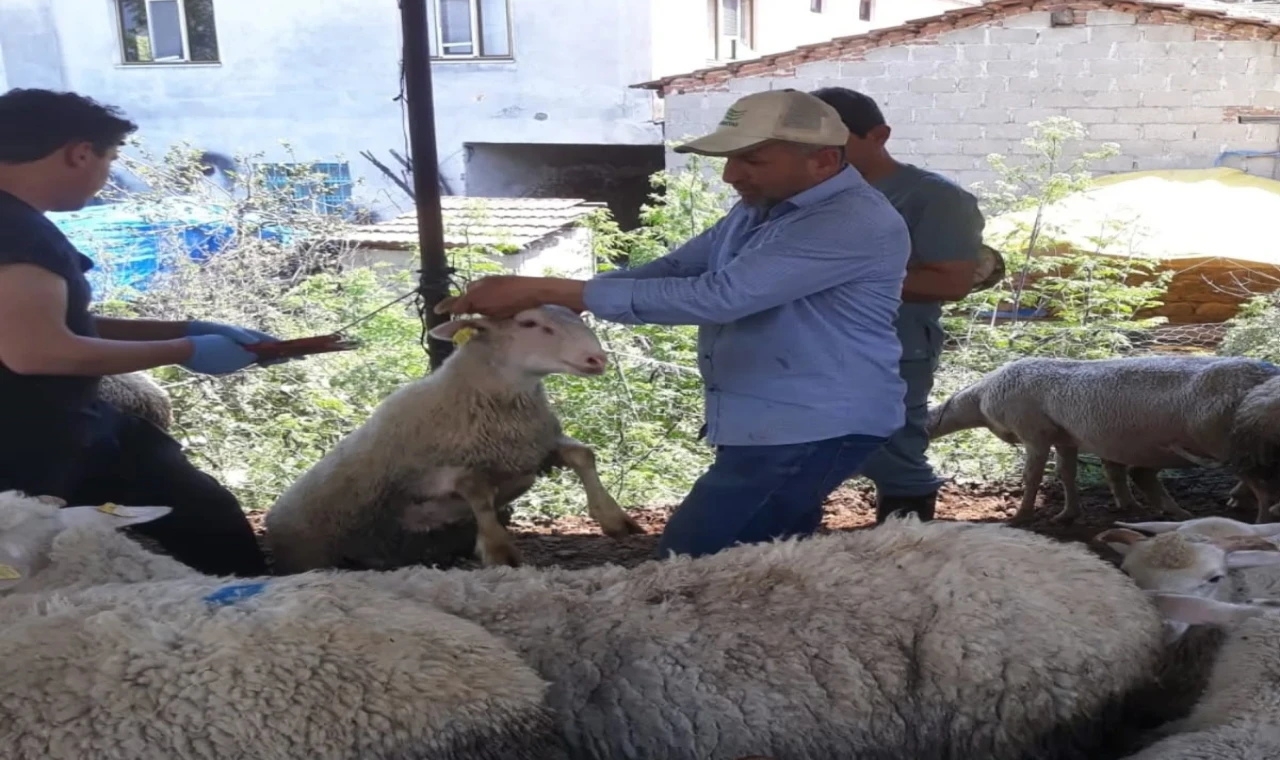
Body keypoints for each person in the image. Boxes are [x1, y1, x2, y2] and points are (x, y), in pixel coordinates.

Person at [441, 89, 912, 559]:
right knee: (773, 557)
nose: (731, 175)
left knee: (692, 560)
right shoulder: (761, 207)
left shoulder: (847, 220)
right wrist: (565, 302)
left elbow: (719, 296)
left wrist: (548, 291)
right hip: (779, 421)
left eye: (751, 159)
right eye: (729, 159)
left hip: (812, 423)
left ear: (824, 162)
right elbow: (677, 269)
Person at [0, 87, 278, 576]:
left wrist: (188, 326)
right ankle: (245, 627)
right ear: (79, 153)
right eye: (109, 159)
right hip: (34, 445)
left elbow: (46, 320)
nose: (106, 178)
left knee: (197, 507)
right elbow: (34, 350)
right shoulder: (16, 231)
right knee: (199, 533)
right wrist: (185, 348)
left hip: (75, 426)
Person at [811, 86, 986, 525]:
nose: (822, 154)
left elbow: (951, 279)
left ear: (879, 135)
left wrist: (828, 276)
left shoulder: (935, 197)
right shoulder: (807, 194)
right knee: (797, 447)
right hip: (807, 344)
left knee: (892, 449)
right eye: (807, 144)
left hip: (894, 346)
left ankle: (908, 560)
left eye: (837, 142)